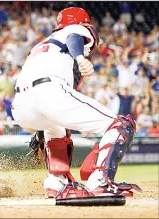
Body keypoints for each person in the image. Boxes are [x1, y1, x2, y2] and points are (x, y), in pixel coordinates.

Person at [11, 7, 142, 199]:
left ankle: (56, 182)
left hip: (20, 106)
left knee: (57, 126)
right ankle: (100, 182)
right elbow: (75, 36)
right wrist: (80, 58)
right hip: (49, 90)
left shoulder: (41, 46)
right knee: (121, 125)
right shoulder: (75, 30)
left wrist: (40, 126)